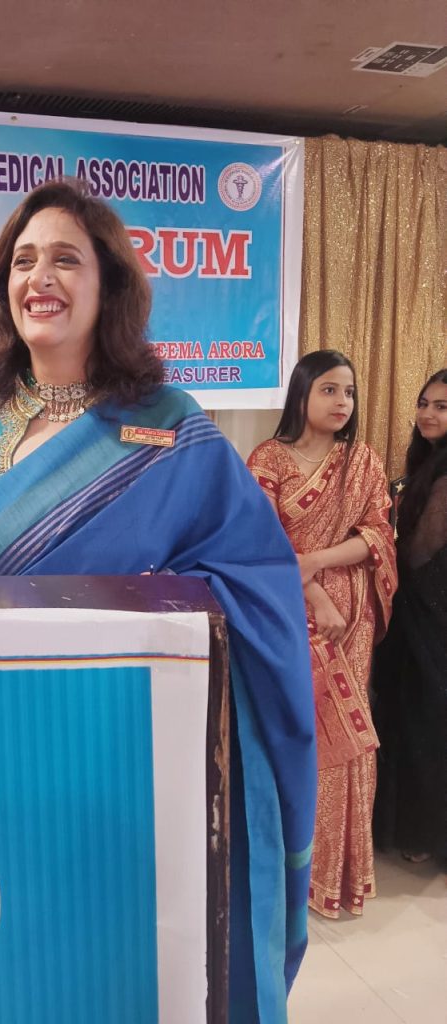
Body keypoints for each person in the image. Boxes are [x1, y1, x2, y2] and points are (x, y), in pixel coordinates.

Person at [0, 179, 316, 1022]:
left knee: (111, 943)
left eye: (66, 259)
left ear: (108, 285)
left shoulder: (171, 424)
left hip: (125, 748)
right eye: (23, 261)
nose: (39, 277)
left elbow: (256, 573)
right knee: (9, 938)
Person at [247, 350, 397, 919]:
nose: (342, 402)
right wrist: (311, 591)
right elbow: (261, 545)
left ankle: (338, 876)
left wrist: (316, 561)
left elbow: (378, 535)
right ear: (302, 394)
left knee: (349, 743)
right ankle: (292, 870)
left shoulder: (362, 459)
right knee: (303, 732)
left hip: (352, 617)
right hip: (291, 614)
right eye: (329, 390)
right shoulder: (268, 458)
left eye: (349, 392)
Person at [372, 368, 447, 866]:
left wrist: (374, 550)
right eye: (423, 403)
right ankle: (412, 830)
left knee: (426, 718)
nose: (427, 413)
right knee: (408, 712)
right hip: (416, 609)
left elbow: (420, 551)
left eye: (441, 406)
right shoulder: (426, 463)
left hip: (432, 614)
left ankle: (425, 834)